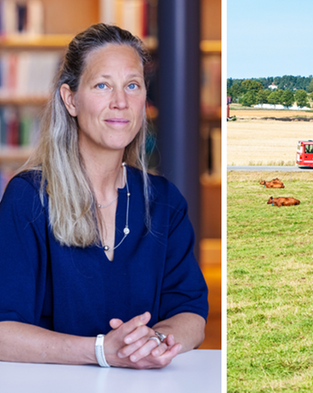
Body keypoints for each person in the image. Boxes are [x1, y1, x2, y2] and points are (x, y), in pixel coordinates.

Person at [0, 24, 208, 369]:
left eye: (132, 85)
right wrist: (101, 351)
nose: (121, 102)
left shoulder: (164, 201)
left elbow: (191, 314)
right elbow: (3, 331)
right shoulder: (29, 198)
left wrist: (153, 342)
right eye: (102, 85)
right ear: (71, 100)